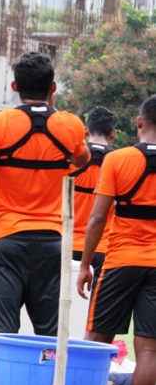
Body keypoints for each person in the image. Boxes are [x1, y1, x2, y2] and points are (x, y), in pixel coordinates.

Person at [0, 52, 89, 377]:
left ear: (14, 86)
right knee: (51, 338)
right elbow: (81, 161)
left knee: (1, 336)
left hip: (5, 242)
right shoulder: (69, 124)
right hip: (52, 244)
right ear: (53, 87)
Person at [77, 97, 156, 385]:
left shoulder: (119, 159)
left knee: (96, 340)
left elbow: (97, 218)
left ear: (139, 122)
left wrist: (84, 265)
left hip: (121, 259)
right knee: (149, 348)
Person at [70, 107, 117, 273]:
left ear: (85, 131)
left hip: (66, 244)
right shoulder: (119, 163)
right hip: (103, 248)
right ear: (113, 134)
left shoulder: (70, 160)